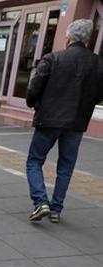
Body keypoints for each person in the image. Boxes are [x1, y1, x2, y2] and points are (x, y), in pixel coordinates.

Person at [25, 19, 103, 223]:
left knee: (34, 160)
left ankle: (40, 201)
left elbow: (34, 87)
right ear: (87, 39)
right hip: (76, 123)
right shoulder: (98, 63)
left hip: (49, 120)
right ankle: (55, 209)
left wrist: (33, 103)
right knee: (66, 167)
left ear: (68, 37)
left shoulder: (53, 58)